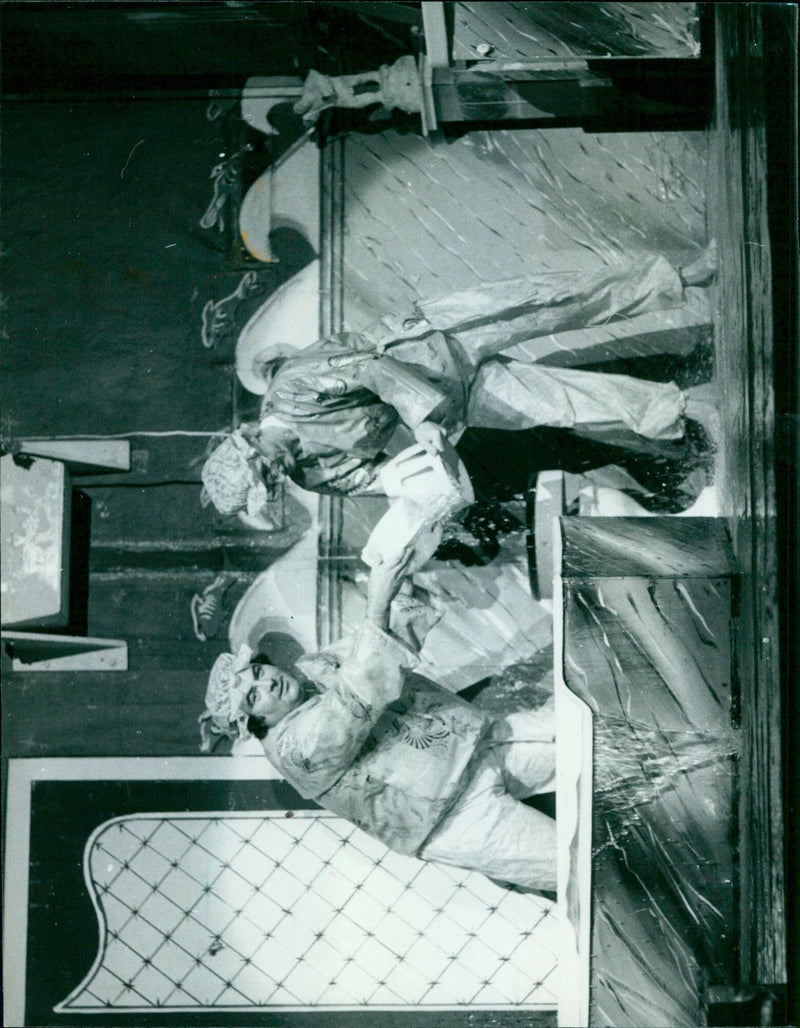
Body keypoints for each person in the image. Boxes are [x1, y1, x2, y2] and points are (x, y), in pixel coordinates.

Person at [201, 249, 717, 512]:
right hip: (456, 407)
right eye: (272, 486)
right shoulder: (311, 475)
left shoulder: (290, 391)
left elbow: (370, 368)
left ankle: (687, 275)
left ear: (250, 441)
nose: (279, 478)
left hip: (434, 339)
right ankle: (690, 410)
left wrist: (419, 421)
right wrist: (431, 482)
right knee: (568, 406)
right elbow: (387, 481)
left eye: (266, 473)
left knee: (557, 300)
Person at [199, 547, 556, 892]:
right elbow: (355, 696)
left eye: (258, 672)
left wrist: (402, 583)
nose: (267, 683)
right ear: (251, 722)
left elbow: (382, 641)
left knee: (594, 738)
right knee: (569, 859)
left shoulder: (313, 670)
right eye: (253, 695)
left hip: (482, 745)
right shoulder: (291, 752)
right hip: (455, 818)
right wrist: (378, 601)